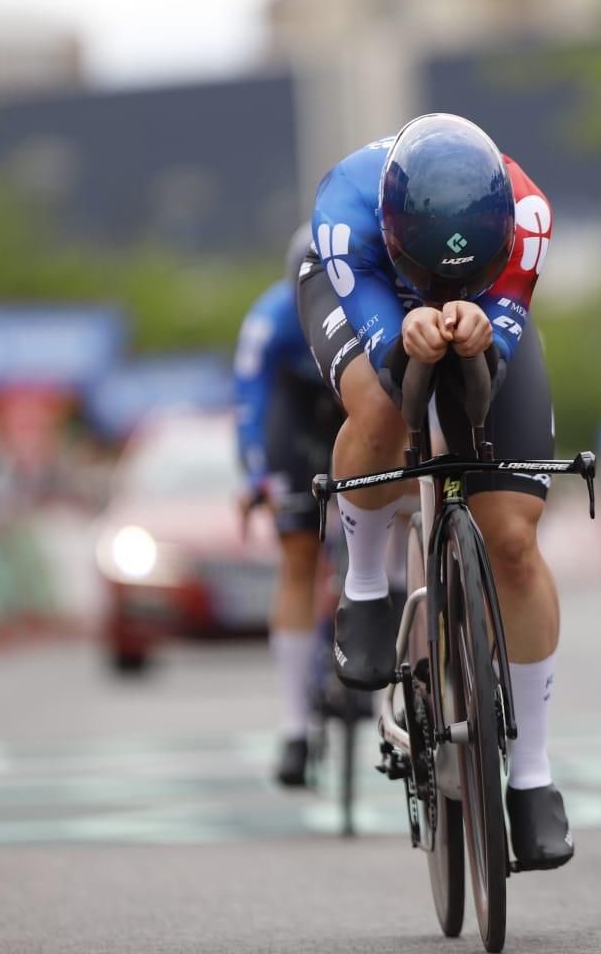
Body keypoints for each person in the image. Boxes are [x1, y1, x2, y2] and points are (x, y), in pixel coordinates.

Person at [300, 112, 572, 869]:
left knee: (513, 542)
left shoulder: (530, 214)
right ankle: (363, 585)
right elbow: (394, 364)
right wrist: (403, 333)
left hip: (485, 309)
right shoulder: (345, 212)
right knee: (386, 408)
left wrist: (489, 327)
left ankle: (536, 778)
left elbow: (485, 379)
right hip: (370, 295)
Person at [233, 228, 346, 788]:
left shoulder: (366, 304)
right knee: (299, 555)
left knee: (389, 512)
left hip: (356, 407)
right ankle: (294, 728)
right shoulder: (270, 319)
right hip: (296, 419)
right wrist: (256, 474)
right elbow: (249, 398)